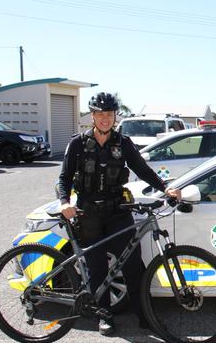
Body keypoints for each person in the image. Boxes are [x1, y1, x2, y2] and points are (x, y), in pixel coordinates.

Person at [58, 92, 180, 336]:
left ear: (115, 117)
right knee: (97, 267)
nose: (105, 119)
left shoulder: (123, 143)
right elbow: (63, 179)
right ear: (92, 116)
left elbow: (142, 169)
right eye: (100, 114)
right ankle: (104, 316)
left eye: (109, 114)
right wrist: (63, 202)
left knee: (133, 264)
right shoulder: (77, 144)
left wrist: (165, 187)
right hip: (88, 213)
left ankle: (144, 314)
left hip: (117, 211)